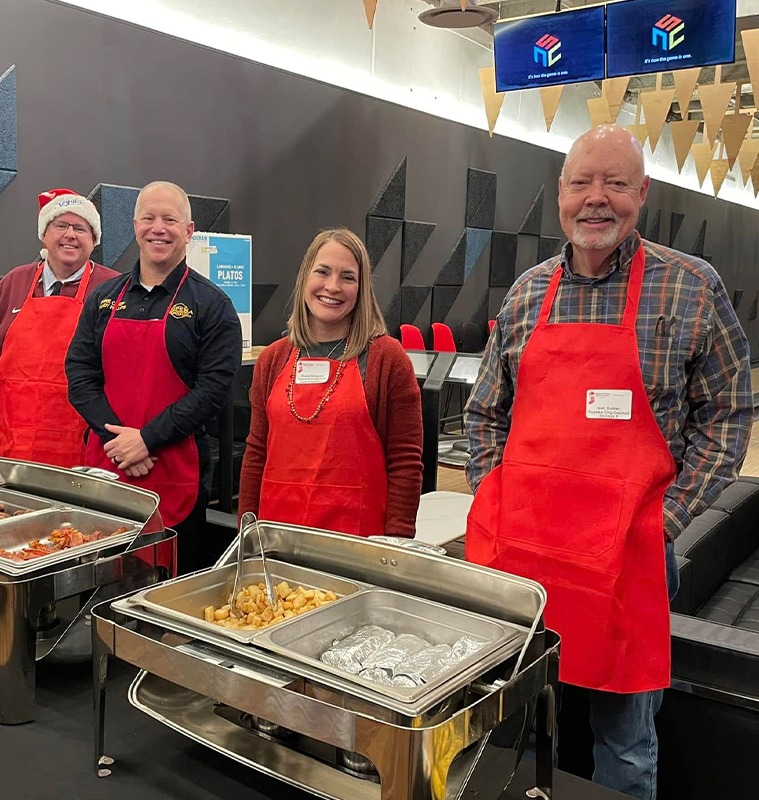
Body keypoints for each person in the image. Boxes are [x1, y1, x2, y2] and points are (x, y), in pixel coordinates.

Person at [464, 125, 752, 800]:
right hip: (526, 561)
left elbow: (731, 411)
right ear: (560, 196)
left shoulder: (690, 288)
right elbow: (483, 413)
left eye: (615, 182)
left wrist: (668, 519)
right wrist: (492, 501)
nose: (597, 199)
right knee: (521, 727)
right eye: (581, 183)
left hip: (630, 561)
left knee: (625, 743)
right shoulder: (528, 293)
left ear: (642, 194)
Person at [66, 181, 242, 573]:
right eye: (148, 217)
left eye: (170, 219)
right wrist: (118, 440)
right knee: (100, 583)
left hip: (174, 470)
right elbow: (79, 373)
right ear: (134, 226)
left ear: (189, 231)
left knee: (168, 588)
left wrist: (146, 439)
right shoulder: (103, 298)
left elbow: (213, 392)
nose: (158, 228)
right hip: (108, 464)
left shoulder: (212, 306)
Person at [238, 227, 423, 537]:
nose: (332, 286)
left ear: (362, 288)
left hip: (357, 543)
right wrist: (246, 529)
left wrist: (396, 544)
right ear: (304, 278)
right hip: (277, 537)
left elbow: (405, 462)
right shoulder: (273, 359)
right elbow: (256, 451)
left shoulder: (387, 360)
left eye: (348, 277)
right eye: (322, 272)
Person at [0, 188, 118, 467]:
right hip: (12, 441)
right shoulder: (12, 284)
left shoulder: (114, 290)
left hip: (84, 442)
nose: (70, 235)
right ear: (44, 234)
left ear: (94, 239)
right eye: (60, 225)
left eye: (80, 228)